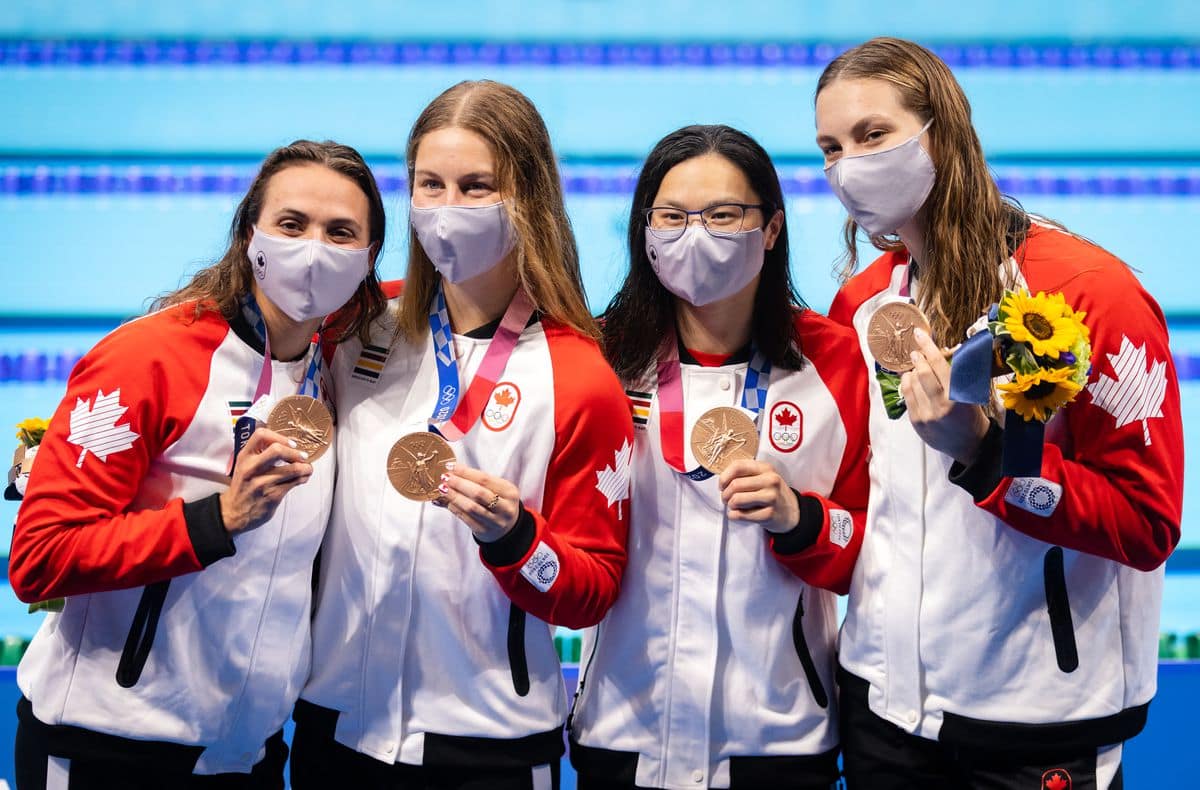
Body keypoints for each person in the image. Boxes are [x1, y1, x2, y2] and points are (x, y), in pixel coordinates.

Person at [814, 37, 1184, 789]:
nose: (846, 165)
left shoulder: (1090, 295)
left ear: (941, 134)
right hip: (881, 711)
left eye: (872, 135)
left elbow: (1147, 523)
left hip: (1038, 722)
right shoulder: (860, 306)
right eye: (829, 147)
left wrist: (985, 455)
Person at [8, 140, 387, 788]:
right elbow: (41, 554)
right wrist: (216, 519)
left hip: (250, 755)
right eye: (292, 224)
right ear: (248, 235)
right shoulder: (148, 359)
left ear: (368, 260)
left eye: (341, 232)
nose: (315, 249)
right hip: (107, 748)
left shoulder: (327, 371)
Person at [290, 80, 632, 790]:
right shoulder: (357, 329)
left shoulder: (580, 374)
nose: (448, 210)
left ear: (529, 199)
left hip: (488, 746)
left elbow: (590, 591)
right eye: (430, 185)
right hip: (333, 726)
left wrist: (516, 539)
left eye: (477, 187)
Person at [568, 124, 870, 790]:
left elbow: (870, 550)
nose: (695, 234)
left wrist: (802, 520)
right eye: (672, 216)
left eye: (723, 215)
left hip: (778, 738)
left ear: (770, 228)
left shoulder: (837, 360)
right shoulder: (595, 359)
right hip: (625, 732)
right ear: (645, 232)